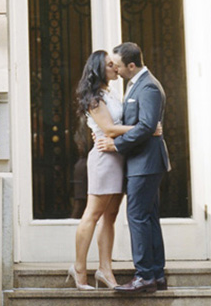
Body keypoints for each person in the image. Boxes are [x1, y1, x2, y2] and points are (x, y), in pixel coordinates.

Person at [96, 42, 170, 294]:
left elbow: (147, 126)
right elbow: (144, 125)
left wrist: (116, 145)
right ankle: (156, 274)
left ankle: (144, 276)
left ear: (130, 65)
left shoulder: (147, 86)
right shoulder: (134, 84)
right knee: (148, 217)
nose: (114, 70)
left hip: (145, 163)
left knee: (138, 217)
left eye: (117, 65)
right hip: (142, 162)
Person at [69, 50, 134, 291]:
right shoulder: (94, 98)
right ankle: (79, 269)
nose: (116, 67)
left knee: (111, 216)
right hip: (104, 158)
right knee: (93, 214)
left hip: (118, 156)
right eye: (110, 65)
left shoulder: (112, 93)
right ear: (99, 69)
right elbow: (108, 128)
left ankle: (105, 270)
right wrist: (143, 129)